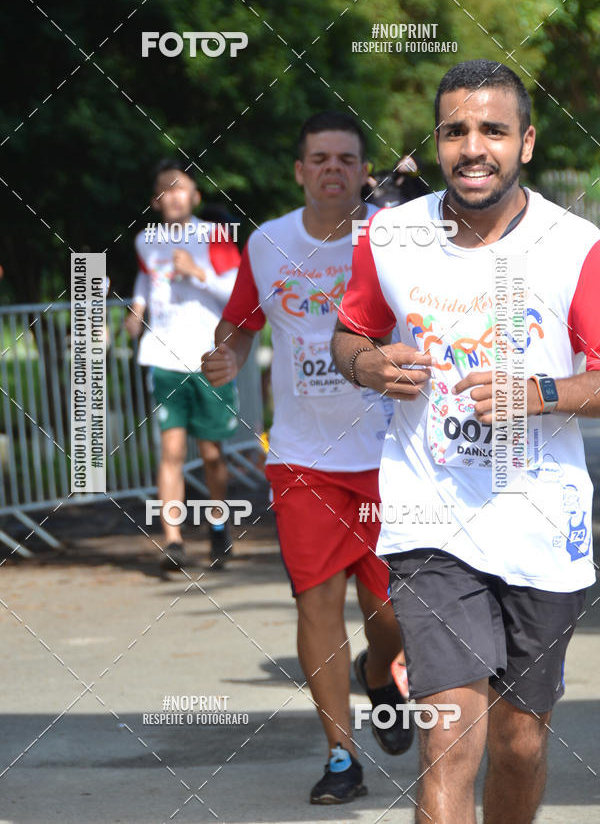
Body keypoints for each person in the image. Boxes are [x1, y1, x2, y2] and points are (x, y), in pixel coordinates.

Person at [331, 58, 600, 823]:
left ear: (526, 142)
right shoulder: (388, 236)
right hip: (431, 515)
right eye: (455, 131)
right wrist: (370, 365)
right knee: (449, 741)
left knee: (520, 743)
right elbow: (349, 336)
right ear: (438, 141)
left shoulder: (574, 245)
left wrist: (539, 393)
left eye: (493, 130)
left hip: (541, 522)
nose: (472, 147)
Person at [201, 112, 413, 804]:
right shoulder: (268, 243)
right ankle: (341, 756)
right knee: (316, 603)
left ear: (362, 171)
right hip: (302, 459)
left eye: (346, 160)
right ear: (300, 171)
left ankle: (380, 675)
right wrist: (227, 355)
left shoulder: (393, 243)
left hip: (392, 455)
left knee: (392, 613)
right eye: (319, 159)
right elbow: (238, 321)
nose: (331, 169)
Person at [125, 160, 241, 571]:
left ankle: (218, 526)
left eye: (181, 188)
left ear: (194, 196)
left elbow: (238, 294)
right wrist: (137, 308)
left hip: (207, 359)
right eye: (164, 190)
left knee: (211, 453)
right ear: (156, 201)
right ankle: (172, 541)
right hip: (162, 355)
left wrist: (198, 274)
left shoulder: (215, 236)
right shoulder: (145, 241)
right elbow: (146, 278)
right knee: (171, 449)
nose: (173, 196)